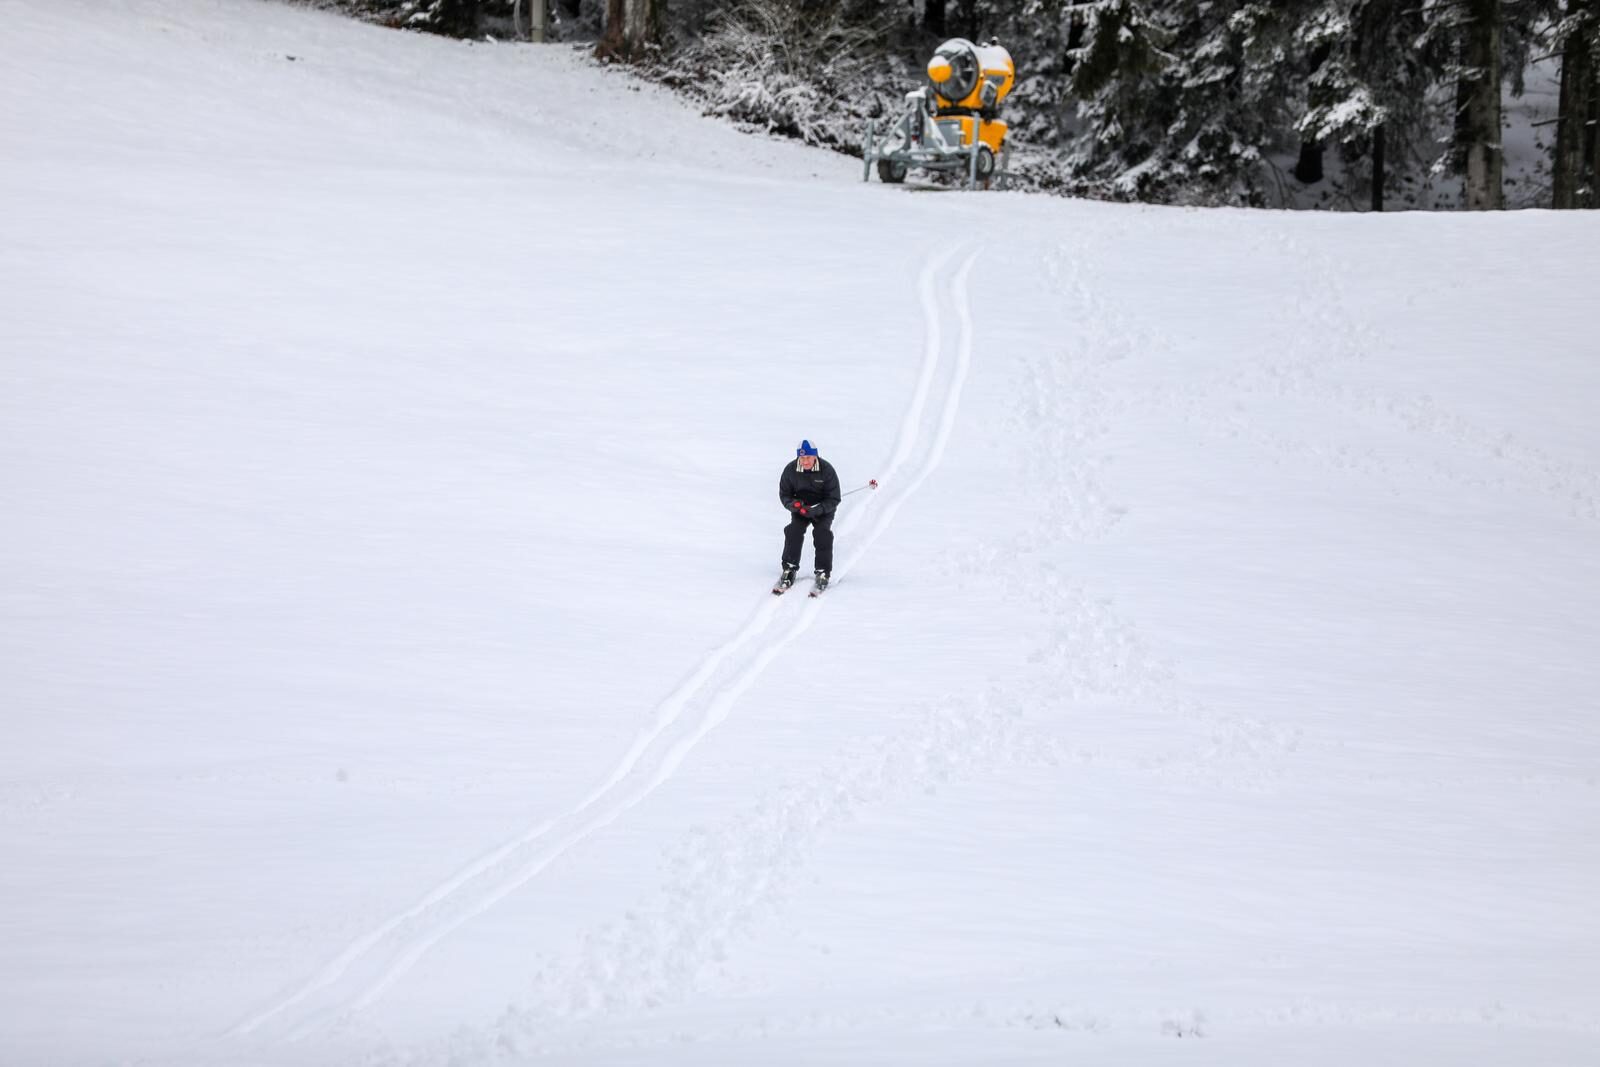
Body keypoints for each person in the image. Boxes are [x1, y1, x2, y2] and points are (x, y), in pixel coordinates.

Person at [776, 440, 841, 593]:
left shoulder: (827, 470)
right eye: (802, 458)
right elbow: (784, 495)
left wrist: (818, 509)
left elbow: (834, 498)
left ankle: (822, 572)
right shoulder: (790, 470)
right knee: (793, 530)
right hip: (801, 510)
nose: (805, 461)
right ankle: (789, 568)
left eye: (808, 458)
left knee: (822, 534)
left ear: (815, 456)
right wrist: (794, 505)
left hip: (823, 510)